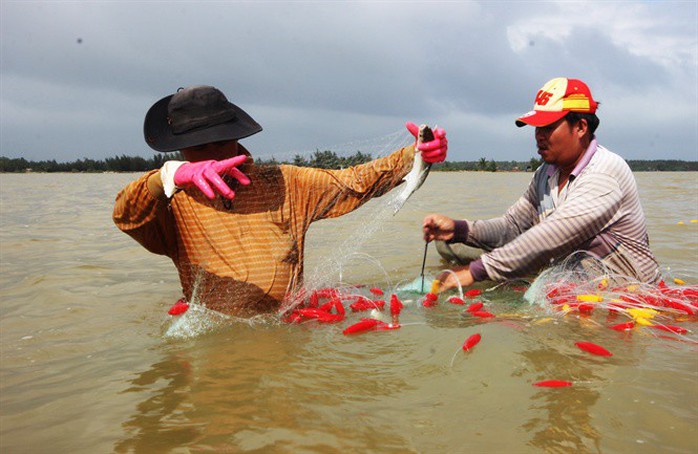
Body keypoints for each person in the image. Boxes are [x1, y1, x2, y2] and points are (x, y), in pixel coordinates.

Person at [113, 85, 447, 316]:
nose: (211, 156)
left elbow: (355, 182)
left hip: (286, 326)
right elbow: (126, 216)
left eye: (219, 142)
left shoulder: (284, 183)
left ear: (236, 137)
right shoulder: (169, 200)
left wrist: (416, 154)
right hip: (211, 336)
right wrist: (169, 176)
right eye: (198, 148)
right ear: (179, 149)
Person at [423, 77, 660, 292]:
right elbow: (512, 227)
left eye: (548, 126)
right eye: (537, 127)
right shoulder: (545, 174)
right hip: (565, 267)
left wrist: (473, 272)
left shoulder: (605, 172)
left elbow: (552, 236)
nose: (539, 135)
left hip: (619, 283)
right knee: (449, 247)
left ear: (580, 127)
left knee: (489, 271)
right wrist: (458, 229)